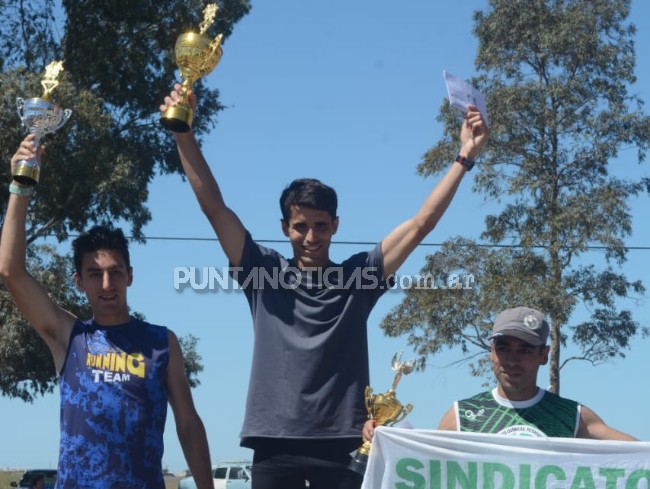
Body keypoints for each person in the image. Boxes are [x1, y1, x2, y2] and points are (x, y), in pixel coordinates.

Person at [160, 84, 489, 489]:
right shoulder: (261, 272)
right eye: (300, 227)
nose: (310, 236)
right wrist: (183, 131)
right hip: (273, 443)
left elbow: (422, 224)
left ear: (335, 225)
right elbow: (213, 205)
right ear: (285, 228)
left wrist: (464, 158)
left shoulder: (359, 278)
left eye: (320, 226)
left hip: (344, 445)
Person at [0, 134, 216, 489]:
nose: (106, 284)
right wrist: (20, 183)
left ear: (130, 276)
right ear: (78, 282)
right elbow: (11, 270)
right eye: (94, 274)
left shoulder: (162, 343)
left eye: (115, 272)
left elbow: (189, 424)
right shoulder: (69, 337)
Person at [363, 306, 638, 442]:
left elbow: (636, 457)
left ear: (544, 356)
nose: (512, 360)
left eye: (525, 350)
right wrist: (385, 439)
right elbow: (429, 468)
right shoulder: (462, 415)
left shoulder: (572, 416)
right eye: (504, 348)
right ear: (491, 352)